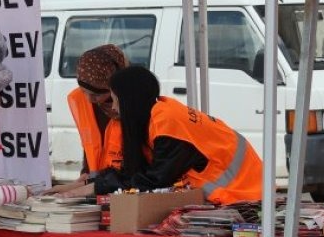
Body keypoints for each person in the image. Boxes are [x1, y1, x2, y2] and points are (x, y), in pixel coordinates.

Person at [90, 66, 263, 204]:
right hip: (244, 189)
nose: (113, 108)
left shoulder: (167, 123)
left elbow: (154, 180)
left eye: (115, 100)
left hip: (244, 193)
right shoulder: (162, 115)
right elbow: (144, 174)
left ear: (130, 101)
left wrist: (96, 187)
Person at [68, 44, 126, 182]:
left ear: (113, 88)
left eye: (95, 94)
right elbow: (90, 144)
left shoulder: (133, 106)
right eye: (83, 91)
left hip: (122, 186)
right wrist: (86, 172)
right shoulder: (82, 102)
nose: (89, 99)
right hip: (97, 184)